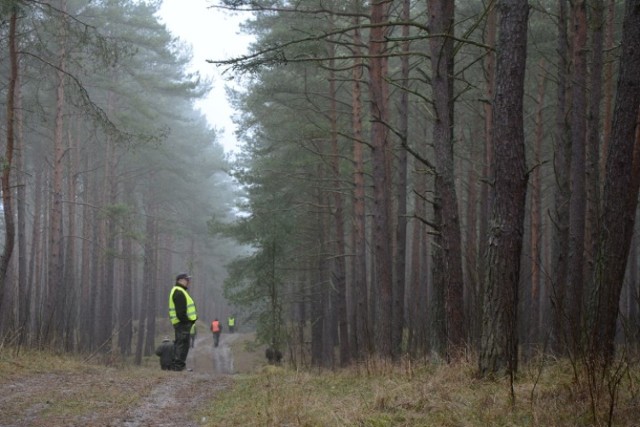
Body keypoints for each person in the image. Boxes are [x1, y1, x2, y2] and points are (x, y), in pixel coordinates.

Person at [168, 272, 198, 371]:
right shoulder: (179, 291)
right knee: (182, 344)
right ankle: (178, 367)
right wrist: (187, 322)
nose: (188, 281)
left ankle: (178, 366)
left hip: (180, 323)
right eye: (186, 279)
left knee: (181, 343)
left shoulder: (179, 291)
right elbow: (180, 312)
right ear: (180, 280)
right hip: (182, 323)